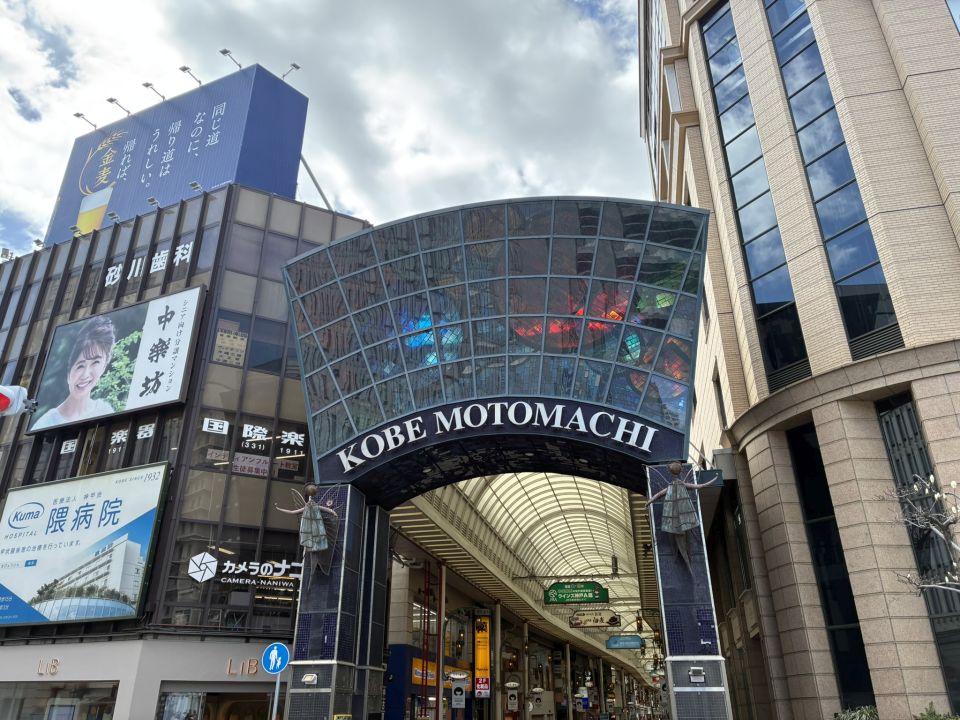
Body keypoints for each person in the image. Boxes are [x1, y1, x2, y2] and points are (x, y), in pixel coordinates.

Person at [32, 316, 116, 430]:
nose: (85, 375)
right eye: (80, 365)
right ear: (68, 371)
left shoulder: (105, 410)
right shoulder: (46, 423)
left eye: (95, 362)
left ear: (104, 367)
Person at [275, 483, 339, 580]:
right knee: (313, 551)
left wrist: (334, 513)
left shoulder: (313, 507)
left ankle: (314, 568)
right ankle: (314, 569)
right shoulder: (314, 507)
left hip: (315, 533)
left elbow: (292, 512)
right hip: (313, 533)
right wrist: (279, 509)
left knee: (314, 551)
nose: (310, 503)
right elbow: (329, 511)